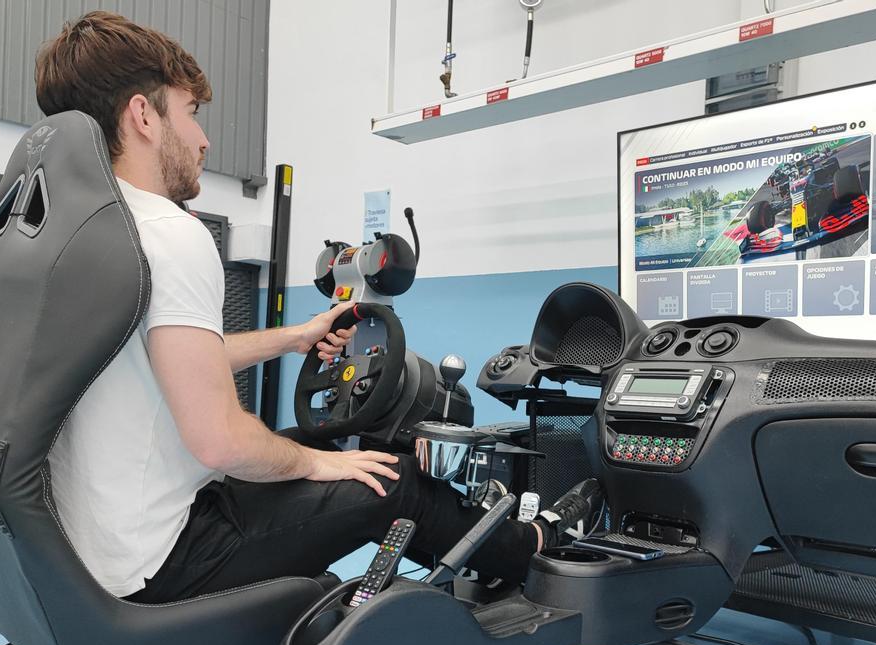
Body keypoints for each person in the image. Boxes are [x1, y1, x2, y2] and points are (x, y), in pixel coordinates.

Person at [36, 11, 598, 603]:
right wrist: (315, 464)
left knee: (320, 444)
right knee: (394, 481)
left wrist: (296, 337)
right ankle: (531, 546)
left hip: (98, 547)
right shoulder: (170, 234)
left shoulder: (85, 236)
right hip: (165, 559)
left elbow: (172, 355)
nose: (203, 140)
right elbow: (220, 443)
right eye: (190, 114)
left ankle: (476, 545)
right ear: (143, 116)